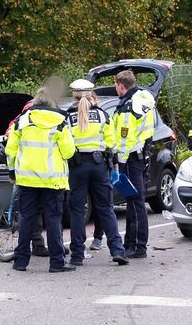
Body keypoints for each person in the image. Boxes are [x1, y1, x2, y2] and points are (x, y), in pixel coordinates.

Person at [6, 87, 76, 272]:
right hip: (52, 181)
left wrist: (12, 172)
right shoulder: (60, 121)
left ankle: (20, 261)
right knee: (53, 221)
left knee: (26, 219)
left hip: (27, 180)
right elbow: (69, 151)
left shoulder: (21, 121)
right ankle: (57, 263)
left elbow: (10, 150)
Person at [65, 79, 128, 266]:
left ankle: (77, 255)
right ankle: (118, 250)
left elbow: (65, 146)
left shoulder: (67, 117)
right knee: (106, 208)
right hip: (99, 165)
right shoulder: (102, 115)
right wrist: (114, 167)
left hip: (76, 166)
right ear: (92, 95)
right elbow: (112, 143)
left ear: (74, 96)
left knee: (77, 211)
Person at [112, 71, 155, 259]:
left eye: (115, 85)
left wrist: (118, 161)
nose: (115, 89)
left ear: (121, 85)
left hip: (129, 158)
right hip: (138, 156)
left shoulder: (129, 106)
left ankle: (138, 246)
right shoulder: (142, 100)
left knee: (135, 201)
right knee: (132, 201)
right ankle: (131, 243)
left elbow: (125, 138)